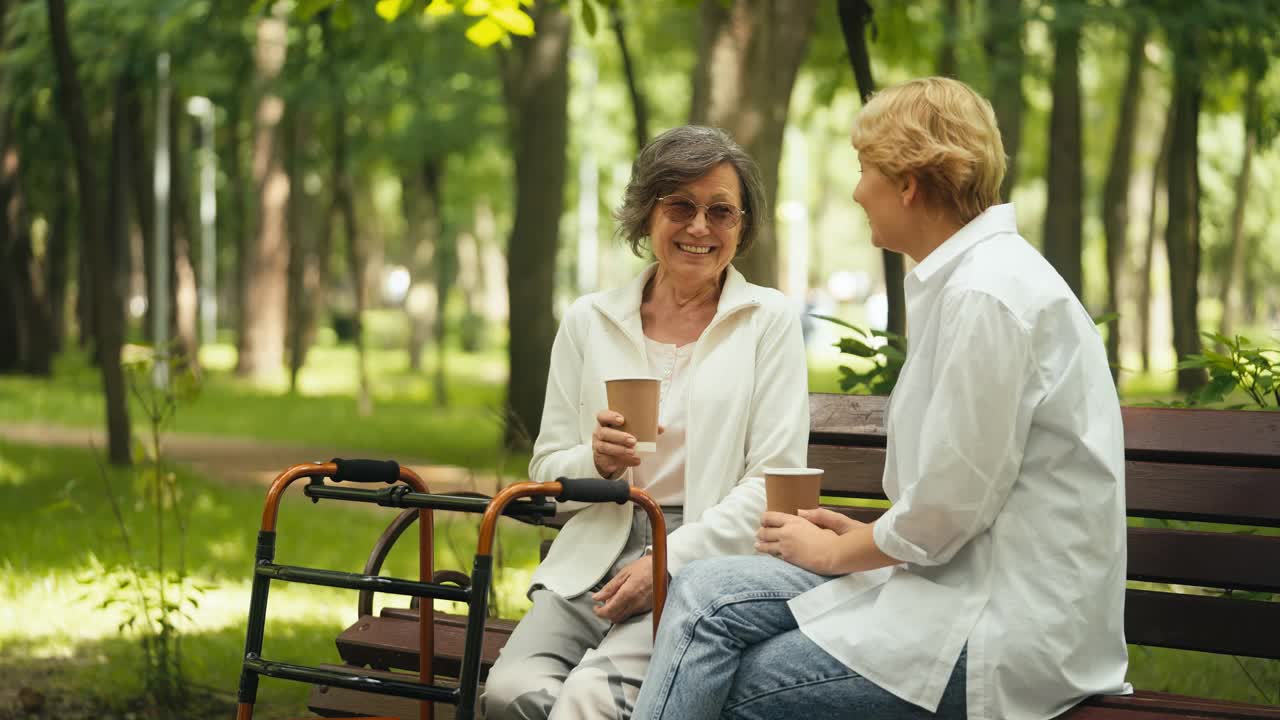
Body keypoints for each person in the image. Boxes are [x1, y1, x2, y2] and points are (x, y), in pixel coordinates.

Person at [632, 77, 1130, 720]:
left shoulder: (989, 298)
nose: (857, 189)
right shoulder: (974, 282)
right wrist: (869, 535)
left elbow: (949, 509)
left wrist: (843, 550)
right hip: (946, 584)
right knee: (700, 587)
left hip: (1000, 628)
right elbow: (962, 498)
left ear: (908, 184)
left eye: (865, 169)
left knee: (728, 678)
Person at [481, 125, 811, 720]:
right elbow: (547, 474)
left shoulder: (768, 320)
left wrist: (666, 560)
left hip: (702, 559)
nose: (700, 228)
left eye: (721, 211)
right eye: (680, 206)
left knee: (588, 702)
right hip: (593, 548)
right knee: (509, 694)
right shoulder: (591, 320)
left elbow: (773, 481)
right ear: (646, 213)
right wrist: (596, 462)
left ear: (743, 225)